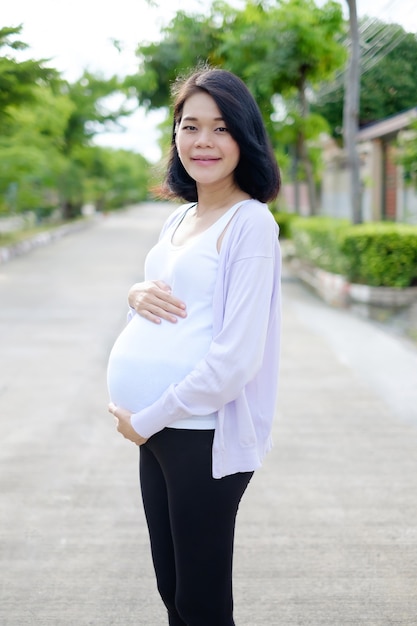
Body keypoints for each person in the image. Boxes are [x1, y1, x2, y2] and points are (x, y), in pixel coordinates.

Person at [107, 67, 282, 626]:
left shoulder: (251, 224)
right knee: (172, 591)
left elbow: (235, 360)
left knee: (202, 604)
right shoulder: (181, 217)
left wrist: (148, 418)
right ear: (176, 135)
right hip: (160, 432)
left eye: (221, 128)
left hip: (200, 434)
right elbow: (170, 304)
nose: (203, 141)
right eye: (190, 126)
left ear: (245, 138)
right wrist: (134, 293)